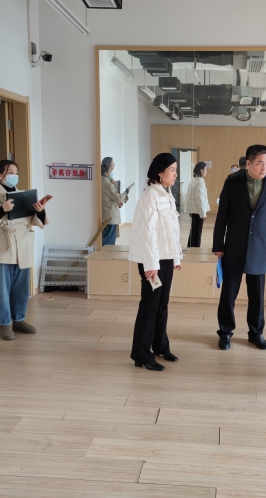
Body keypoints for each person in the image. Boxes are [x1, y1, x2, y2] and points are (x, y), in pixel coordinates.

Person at [213, 144, 266, 351]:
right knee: (228, 294)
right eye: (260, 163)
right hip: (234, 246)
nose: (264, 167)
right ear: (249, 163)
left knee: (257, 296)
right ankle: (225, 332)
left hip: (259, 248)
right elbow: (222, 216)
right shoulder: (232, 183)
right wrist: (218, 244)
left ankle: (256, 333)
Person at [0, 160, 49, 341]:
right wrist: (2, 210)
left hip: (22, 244)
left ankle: (19, 320)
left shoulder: (22, 194)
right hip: (1, 245)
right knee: (2, 289)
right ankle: (4, 323)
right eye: (10, 172)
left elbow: (32, 219)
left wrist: (40, 210)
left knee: (21, 287)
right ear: (0, 174)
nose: (14, 175)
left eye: (16, 172)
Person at [128, 153, 183, 371]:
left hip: (166, 258)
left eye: (176, 170)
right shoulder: (150, 196)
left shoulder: (167, 194)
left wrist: (176, 256)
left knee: (162, 305)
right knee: (149, 307)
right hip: (152, 261)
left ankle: (160, 346)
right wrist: (151, 264)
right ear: (159, 172)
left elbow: (172, 231)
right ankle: (141, 354)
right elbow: (147, 233)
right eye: (172, 170)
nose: (175, 174)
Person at [101, 156, 129, 246]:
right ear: (109, 165)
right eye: (113, 163)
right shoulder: (106, 183)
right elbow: (118, 197)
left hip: (107, 214)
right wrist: (126, 192)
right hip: (109, 215)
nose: (114, 165)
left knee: (107, 238)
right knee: (109, 241)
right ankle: (107, 255)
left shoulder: (105, 181)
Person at [185, 161, 210, 247]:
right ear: (201, 170)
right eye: (205, 169)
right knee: (197, 232)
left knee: (193, 231)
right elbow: (200, 199)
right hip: (197, 211)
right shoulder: (199, 182)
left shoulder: (194, 180)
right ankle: (195, 249)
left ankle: (190, 247)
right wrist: (203, 213)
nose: (206, 171)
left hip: (193, 210)